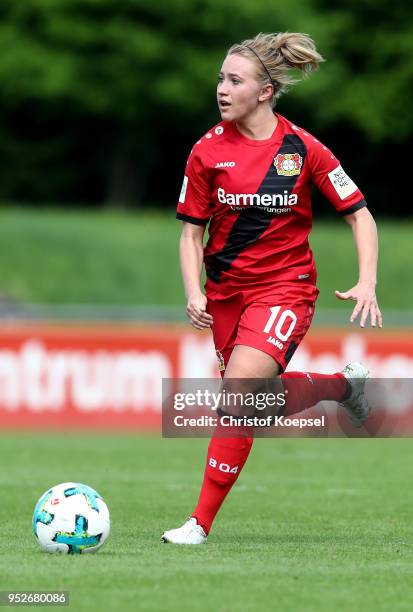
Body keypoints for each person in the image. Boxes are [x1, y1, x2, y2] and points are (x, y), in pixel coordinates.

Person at [161, 32, 382, 545]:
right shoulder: (206, 151)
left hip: (286, 288)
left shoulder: (303, 149)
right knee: (254, 403)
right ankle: (343, 386)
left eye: (234, 80)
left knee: (237, 398)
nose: (221, 88)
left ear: (264, 91)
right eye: (220, 77)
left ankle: (198, 524)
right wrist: (194, 291)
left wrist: (367, 278)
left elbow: (360, 214)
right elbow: (191, 232)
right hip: (225, 296)